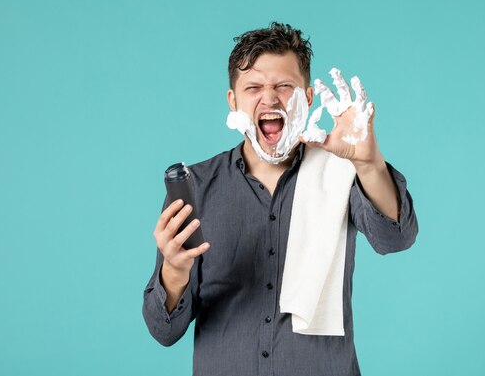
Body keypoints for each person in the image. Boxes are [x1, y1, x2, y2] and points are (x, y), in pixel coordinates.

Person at [142, 22, 419, 376]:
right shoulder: (196, 186)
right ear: (233, 101)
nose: (269, 98)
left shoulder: (340, 172)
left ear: (307, 97)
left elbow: (395, 238)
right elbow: (163, 331)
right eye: (253, 87)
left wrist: (368, 162)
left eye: (284, 86)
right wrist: (175, 271)